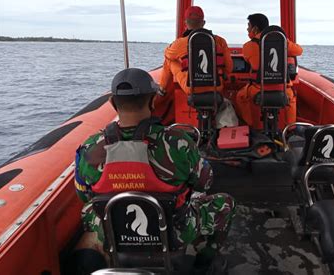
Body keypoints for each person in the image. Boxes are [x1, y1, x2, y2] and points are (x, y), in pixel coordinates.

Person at [72, 68, 236, 274]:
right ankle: (204, 263)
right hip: (174, 232)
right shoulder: (177, 141)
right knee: (225, 203)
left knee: (88, 211)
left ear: (113, 104)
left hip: (113, 232)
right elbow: (205, 182)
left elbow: (83, 195)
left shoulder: (90, 147)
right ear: (152, 101)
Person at [235, 13, 303, 129]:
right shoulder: (283, 42)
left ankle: (251, 127)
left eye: (249, 26)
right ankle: (290, 130)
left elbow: (249, 60)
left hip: (258, 89)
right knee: (291, 97)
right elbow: (299, 51)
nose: (247, 29)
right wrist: (285, 41)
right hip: (283, 89)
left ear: (255, 29)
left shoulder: (248, 46)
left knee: (240, 96)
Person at [158, 6, 233, 97]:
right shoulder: (220, 41)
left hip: (191, 87)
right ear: (203, 23)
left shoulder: (180, 43)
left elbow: (167, 54)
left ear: (185, 22)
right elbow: (229, 67)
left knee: (169, 60)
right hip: (217, 86)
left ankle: (162, 89)